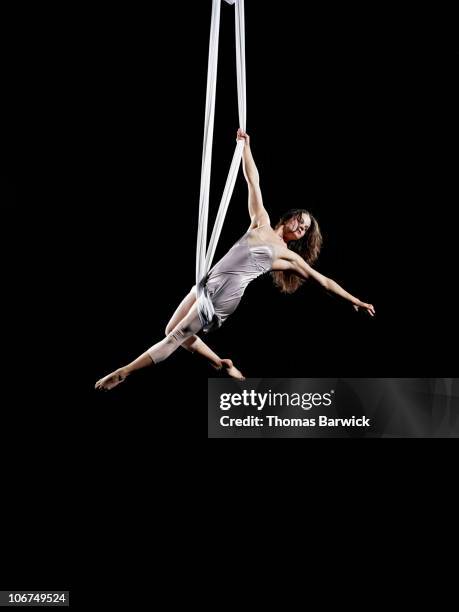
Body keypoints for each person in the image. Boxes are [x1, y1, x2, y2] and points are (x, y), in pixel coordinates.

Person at [95, 129, 375, 390]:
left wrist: (356, 301)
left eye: (304, 230)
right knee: (171, 329)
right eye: (301, 222)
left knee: (176, 337)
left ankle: (125, 371)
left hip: (226, 293)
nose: (301, 229)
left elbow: (322, 280)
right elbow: (253, 180)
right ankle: (221, 363)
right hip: (208, 281)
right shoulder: (261, 222)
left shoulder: (286, 255)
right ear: (290, 217)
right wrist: (246, 147)